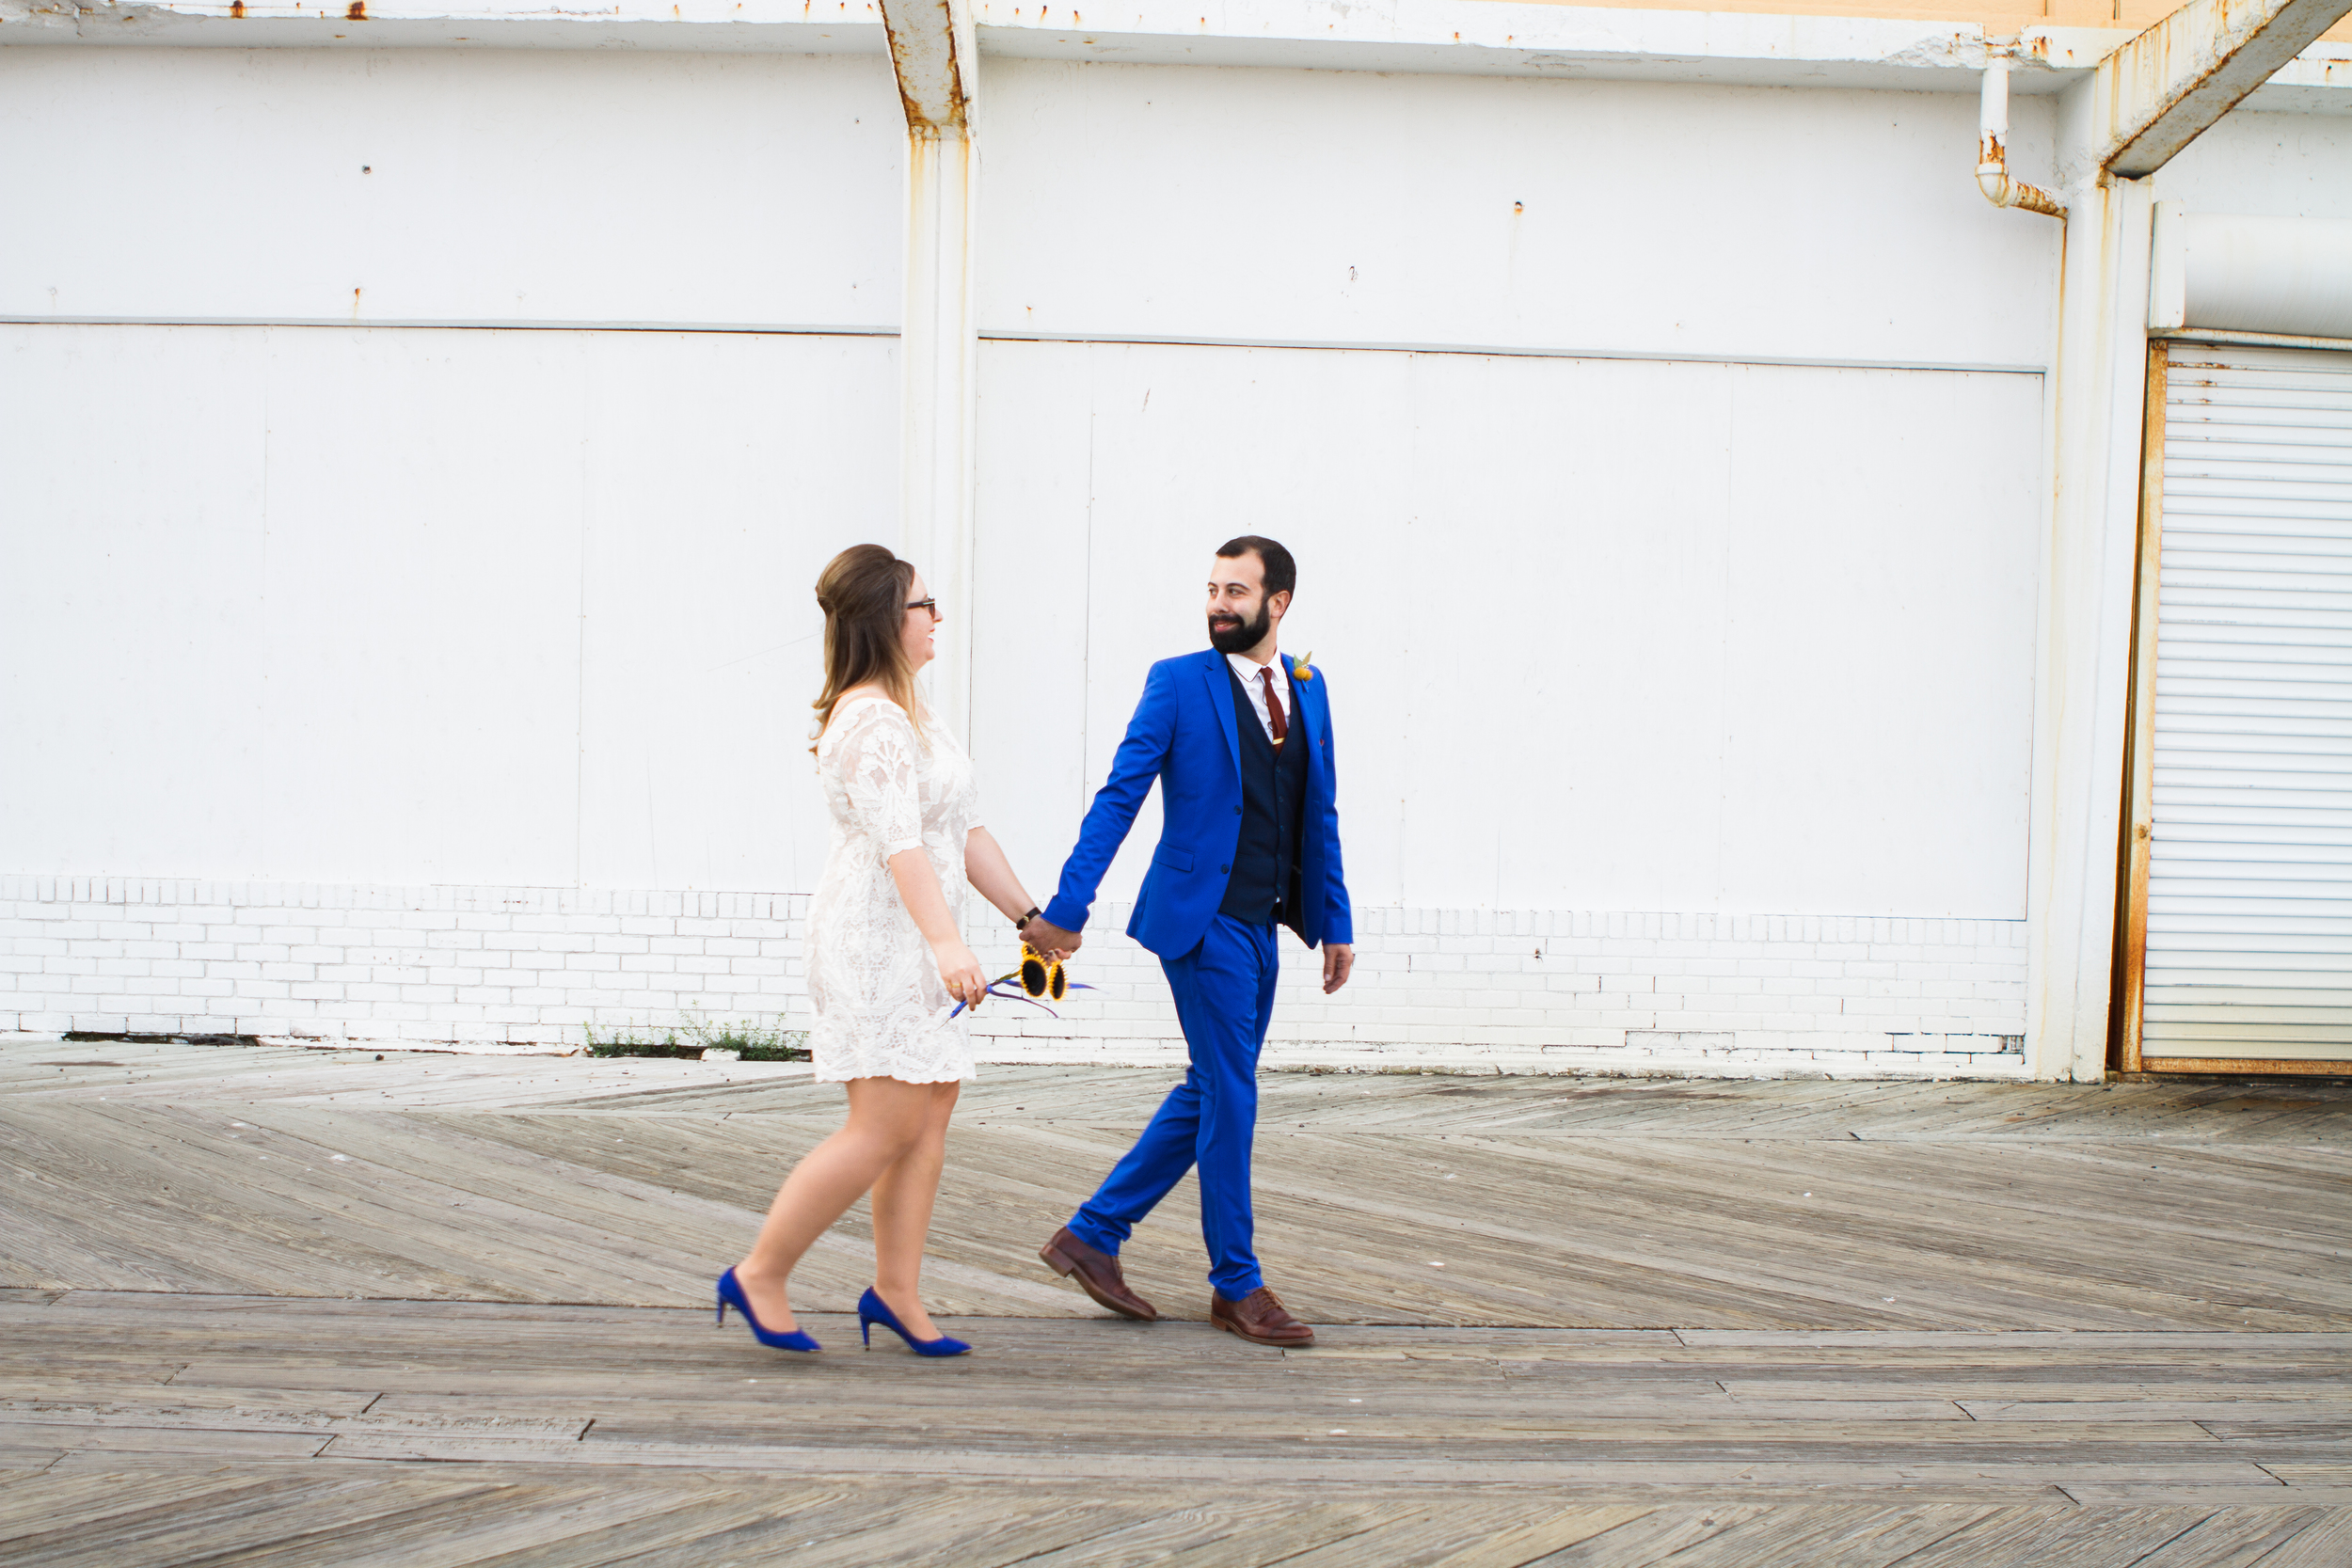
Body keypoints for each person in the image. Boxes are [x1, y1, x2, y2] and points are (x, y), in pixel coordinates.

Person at [717, 543, 1061, 1358]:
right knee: (881, 1123)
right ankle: (761, 1271)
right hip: (878, 937)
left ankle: (895, 1289)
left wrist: (1029, 918)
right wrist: (946, 942)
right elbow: (901, 844)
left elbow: (962, 830)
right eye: (923, 606)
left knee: (929, 1113)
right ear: (883, 617)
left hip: (919, 933)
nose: (938, 618)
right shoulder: (870, 718)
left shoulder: (914, 710)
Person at [1020, 536, 1355, 1347]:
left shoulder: (1308, 691)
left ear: (1278, 604)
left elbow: (1321, 813)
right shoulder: (1176, 683)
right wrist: (1067, 909)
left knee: (1211, 1087)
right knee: (1233, 1095)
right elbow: (1119, 798)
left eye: (1236, 591)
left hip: (1268, 922)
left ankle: (1092, 1235)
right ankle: (1236, 1285)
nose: (1217, 603)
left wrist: (1335, 920)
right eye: (1212, 588)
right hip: (1202, 924)